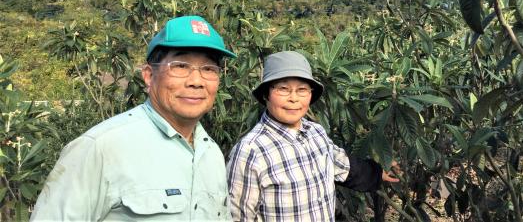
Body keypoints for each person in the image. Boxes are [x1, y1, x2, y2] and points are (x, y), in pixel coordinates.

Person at [32, 15, 236, 221]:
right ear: (148, 75)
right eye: (180, 66)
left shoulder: (211, 154)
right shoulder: (102, 148)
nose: (196, 81)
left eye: (209, 69)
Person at [226, 51, 400, 222]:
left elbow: (341, 165)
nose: (293, 98)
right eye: (283, 89)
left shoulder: (315, 132)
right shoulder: (250, 151)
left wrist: (378, 171)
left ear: (310, 94)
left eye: (302, 89)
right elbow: (237, 216)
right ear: (266, 95)